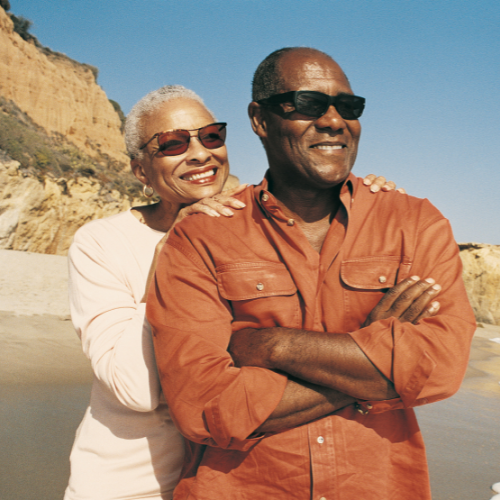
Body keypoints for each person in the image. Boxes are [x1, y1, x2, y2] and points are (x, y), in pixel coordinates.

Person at [147, 48, 476, 500]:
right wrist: (377, 361)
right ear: (259, 120)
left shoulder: (414, 224)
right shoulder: (201, 238)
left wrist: (272, 346)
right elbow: (205, 406)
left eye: (349, 106)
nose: (334, 120)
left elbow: (439, 367)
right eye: (308, 104)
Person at [64, 82, 402, 500]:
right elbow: (135, 389)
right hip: (129, 484)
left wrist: (364, 198)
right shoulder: (102, 243)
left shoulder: (253, 226)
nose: (201, 153)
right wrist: (174, 250)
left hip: (225, 481)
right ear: (140, 171)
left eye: (211, 136)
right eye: (172, 144)